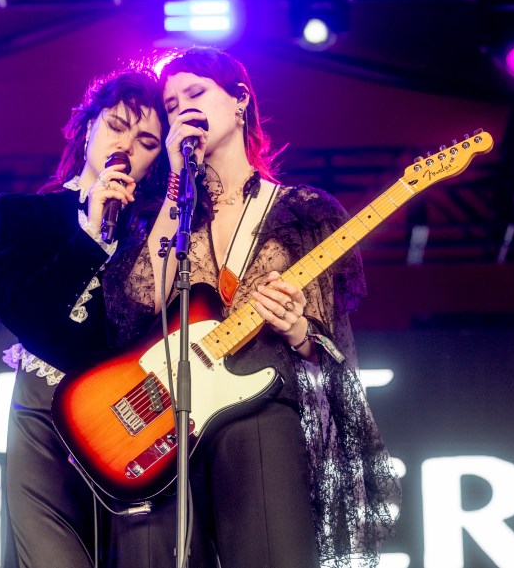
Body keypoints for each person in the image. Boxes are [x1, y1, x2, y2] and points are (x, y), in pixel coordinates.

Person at [100, 47, 401, 567]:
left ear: (240, 101)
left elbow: (329, 348)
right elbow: (140, 301)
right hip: (168, 426)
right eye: (172, 104)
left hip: (260, 410)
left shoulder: (300, 211)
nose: (183, 110)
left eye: (196, 93)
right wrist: (176, 182)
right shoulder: (164, 213)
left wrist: (298, 327)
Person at [0, 67, 167, 567]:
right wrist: (88, 241)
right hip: (44, 416)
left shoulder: (160, 237)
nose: (126, 144)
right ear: (88, 128)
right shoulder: (18, 216)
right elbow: (25, 315)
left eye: (146, 140)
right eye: (116, 125)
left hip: (134, 422)